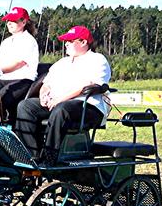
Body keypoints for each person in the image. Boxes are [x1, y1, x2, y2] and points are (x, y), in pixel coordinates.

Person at [14, 25, 111, 165]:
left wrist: (59, 99)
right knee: (26, 106)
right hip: (58, 104)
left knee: (63, 109)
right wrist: (43, 95)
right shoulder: (62, 62)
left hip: (87, 106)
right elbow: (46, 83)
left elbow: (86, 86)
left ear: (83, 42)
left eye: (70, 41)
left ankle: (50, 157)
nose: (66, 44)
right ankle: (31, 156)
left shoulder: (97, 59)